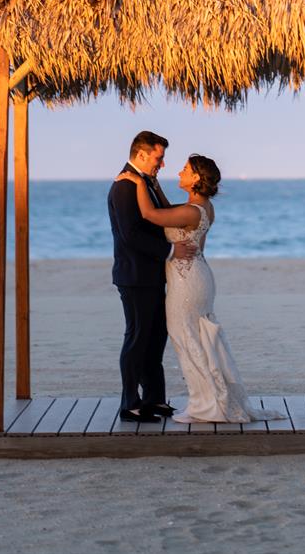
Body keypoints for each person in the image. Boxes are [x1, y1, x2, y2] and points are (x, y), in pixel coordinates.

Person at [116, 154, 282, 424]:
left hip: (187, 283)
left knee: (187, 340)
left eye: (185, 169)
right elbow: (172, 212)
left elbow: (149, 214)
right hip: (198, 276)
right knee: (200, 338)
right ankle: (209, 397)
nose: (179, 171)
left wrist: (137, 182)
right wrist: (153, 185)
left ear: (196, 179)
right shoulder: (200, 206)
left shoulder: (191, 211)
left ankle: (206, 403)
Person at [107, 131, 196, 423]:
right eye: (159, 157)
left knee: (155, 337)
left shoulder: (147, 182)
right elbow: (130, 235)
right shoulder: (124, 186)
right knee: (137, 338)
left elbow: (162, 214)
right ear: (142, 154)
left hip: (153, 275)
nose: (162, 163)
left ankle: (154, 399)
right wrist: (171, 251)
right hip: (134, 276)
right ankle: (130, 404)